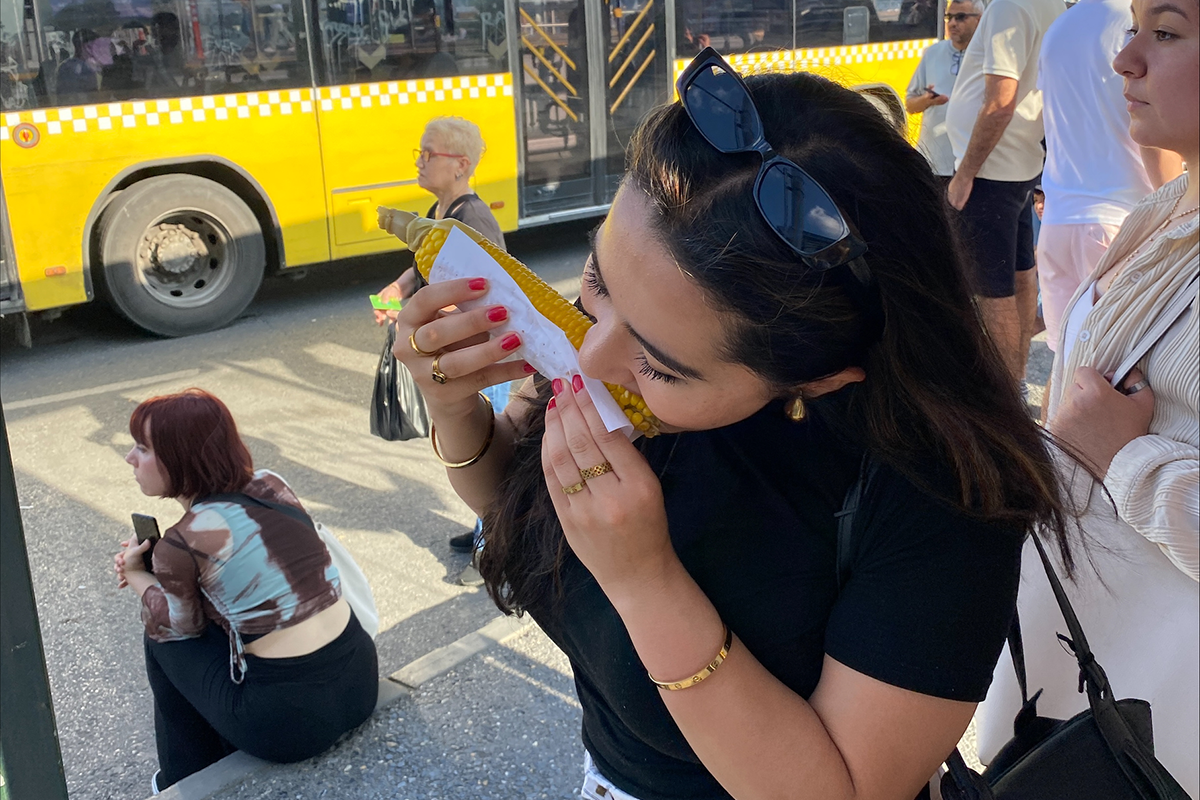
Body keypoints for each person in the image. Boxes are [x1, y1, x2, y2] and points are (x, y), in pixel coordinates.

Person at [391, 49, 1080, 800]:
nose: (591, 354)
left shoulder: (944, 494)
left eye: (660, 365)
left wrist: (646, 581)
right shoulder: (627, 333)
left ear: (816, 379)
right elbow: (514, 503)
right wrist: (453, 408)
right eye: (598, 276)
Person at [980, 2, 1199, 792]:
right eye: (1136, 27)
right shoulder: (1162, 212)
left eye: (1166, 32)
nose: (1126, 59)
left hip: (1160, 733)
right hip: (1082, 693)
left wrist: (1127, 460)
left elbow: (1102, 441)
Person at [113, 389, 378, 793]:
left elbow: (178, 629)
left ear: (178, 457)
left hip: (287, 728)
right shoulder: (272, 483)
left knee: (160, 636)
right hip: (361, 683)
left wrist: (137, 575)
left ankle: (181, 777)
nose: (130, 459)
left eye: (142, 449)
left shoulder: (180, 543)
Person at [373, 115, 509, 572]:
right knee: (466, 450)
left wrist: (415, 318)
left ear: (461, 165)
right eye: (420, 152)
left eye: (430, 154)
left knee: (486, 457)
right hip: (461, 359)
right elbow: (427, 267)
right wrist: (399, 288)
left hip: (483, 360)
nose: (420, 161)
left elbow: (487, 301)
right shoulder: (442, 214)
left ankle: (492, 555)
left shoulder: (473, 220)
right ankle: (480, 532)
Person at [1035, 0, 1182, 359]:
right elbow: (1152, 132)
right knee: (1126, 368)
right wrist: (1179, 217)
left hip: (1058, 223)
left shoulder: (1062, 26)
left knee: (1068, 362)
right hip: (1123, 221)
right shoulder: (1140, 22)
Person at [944, 0, 1062, 383]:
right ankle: (1018, 374)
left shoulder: (1010, 6)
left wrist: (964, 174)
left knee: (992, 293)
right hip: (1018, 162)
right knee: (1020, 274)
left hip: (990, 171)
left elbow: (999, 104)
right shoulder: (1048, 4)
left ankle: (1005, 393)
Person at [905, 0, 981, 180]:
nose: (953, 23)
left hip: (970, 166)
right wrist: (927, 101)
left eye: (961, 17)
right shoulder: (932, 53)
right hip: (933, 163)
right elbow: (910, 105)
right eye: (949, 17)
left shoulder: (988, 58)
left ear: (979, 20)